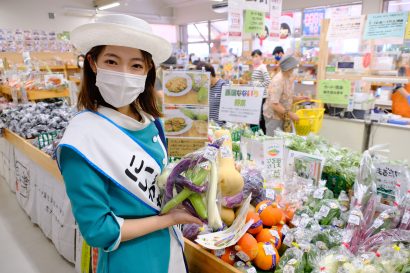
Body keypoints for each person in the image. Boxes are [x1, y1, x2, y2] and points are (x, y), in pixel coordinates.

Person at [55, 14, 201, 273]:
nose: (124, 73)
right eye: (112, 61)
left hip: (172, 251)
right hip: (130, 261)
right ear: (93, 63)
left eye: (136, 65)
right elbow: (99, 231)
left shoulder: (151, 122)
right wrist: (168, 219)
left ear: (147, 71)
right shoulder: (80, 140)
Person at [263, 55, 308, 136]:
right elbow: (274, 104)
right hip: (274, 117)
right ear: (288, 68)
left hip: (282, 116)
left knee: (282, 142)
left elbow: (285, 97)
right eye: (294, 68)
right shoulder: (278, 81)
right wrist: (291, 114)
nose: (295, 70)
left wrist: (299, 99)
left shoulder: (287, 77)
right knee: (273, 143)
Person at [196, 61, 226, 126]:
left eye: (203, 77)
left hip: (219, 128)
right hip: (205, 127)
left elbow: (227, 110)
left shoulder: (223, 86)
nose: (202, 80)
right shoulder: (203, 87)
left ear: (210, 74)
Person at [251, 49, 271, 133]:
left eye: (256, 56)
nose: (254, 58)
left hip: (262, 96)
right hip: (256, 95)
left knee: (261, 117)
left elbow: (268, 80)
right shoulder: (256, 67)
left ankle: (263, 134)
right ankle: (257, 134)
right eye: (253, 56)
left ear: (260, 56)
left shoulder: (262, 67)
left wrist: (259, 86)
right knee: (256, 116)